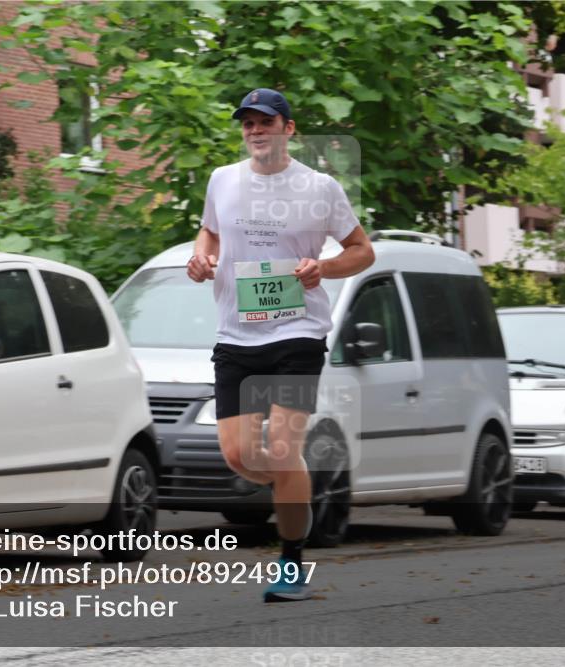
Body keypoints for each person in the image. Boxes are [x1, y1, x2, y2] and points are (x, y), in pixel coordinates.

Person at [187, 88, 374, 602]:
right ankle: (298, 486)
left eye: (265, 122)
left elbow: (363, 251)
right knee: (239, 454)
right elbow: (210, 234)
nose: (254, 130)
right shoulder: (223, 180)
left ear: (289, 129)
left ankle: (291, 563)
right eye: (247, 123)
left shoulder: (320, 188)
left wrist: (324, 268)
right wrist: (200, 259)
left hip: (297, 333)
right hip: (236, 334)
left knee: (283, 448)